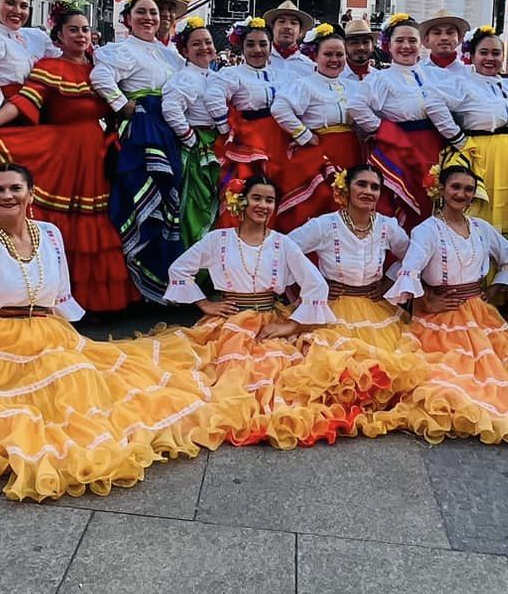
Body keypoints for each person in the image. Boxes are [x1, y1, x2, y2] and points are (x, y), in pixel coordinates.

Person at [0, 163, 232, 497]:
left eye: (15, 188)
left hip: (44, 329)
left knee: (82, 375)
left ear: (30, 193)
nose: (7, 196)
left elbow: (59, 288)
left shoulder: (50, 233)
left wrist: (67, 337)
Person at [167, 173, 403, 447]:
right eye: (256, 198)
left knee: (273, 376)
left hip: (269, 316)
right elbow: (179, 269)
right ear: (240, 201)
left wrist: (290, 325)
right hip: (228, 321)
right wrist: (206, 303)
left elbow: (316, 286)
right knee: (217, 375)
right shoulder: (218, 240)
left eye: (269, 200)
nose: (263, 205)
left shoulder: (282, 243)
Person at [0, 3, 132, 314]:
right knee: (58, 223)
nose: (80, 35)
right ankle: (52, 297)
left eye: (85, 29)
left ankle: (91, 303)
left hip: (94, 153)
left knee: (94, 219)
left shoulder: (99, 70)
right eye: (72, 29)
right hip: (61, 151)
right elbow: (23, 102)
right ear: (58, 36)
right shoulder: (50, 67)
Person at [367, 162, 508, 443]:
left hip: (479, 313)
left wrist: (493, 290)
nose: (462, 194)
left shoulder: (481, 228)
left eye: (469, 189)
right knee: (449, 375)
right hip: (442, 316)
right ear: (441, 189)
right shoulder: (427, 230)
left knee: (498, 372)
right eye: (456, 187)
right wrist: (425, 300)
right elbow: (410, 269)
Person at [289, 164, 427, 403]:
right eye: (361, 184)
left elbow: (413, 256)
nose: (368, 191)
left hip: (374, 307)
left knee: (388, 369)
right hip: (331, 308)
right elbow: (286, 249)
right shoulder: (324, 225)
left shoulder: (387, 226)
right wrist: (316, 284)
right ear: (346, 189)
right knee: (336, 371)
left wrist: (389, 280)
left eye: (375, 187)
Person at [90, 0, 185, 301]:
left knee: (168, 202)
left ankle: (159, 283)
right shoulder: (122, 50)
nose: (148, 18)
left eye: (154, 13)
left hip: (166, 132)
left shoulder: (168, 53)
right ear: (127, 20)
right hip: (143, 133)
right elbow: (100, 76)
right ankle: (135, 287)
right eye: (141, 12)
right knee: (141, 199)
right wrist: (123, 106)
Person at [351, 13, 468, 229]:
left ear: (421, 44)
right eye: (400, 41)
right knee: (403, 199)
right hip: (400, 145)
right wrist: (383, 129)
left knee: (434, 196)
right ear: (388, 45)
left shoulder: (434, 75)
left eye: (412, 40)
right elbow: (356, 106)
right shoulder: (380, 78)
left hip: (434, 144)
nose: (406, 46)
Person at [443, 25, 508, 241]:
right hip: (482, 155)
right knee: (482, 206)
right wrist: (457, 137)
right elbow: (433, 103)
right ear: (471, 56)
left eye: (496, 53)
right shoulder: (462, 83)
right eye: (483, 53)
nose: (490, 58)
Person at [216, 17, 309, 221]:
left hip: (281, 138)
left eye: (262, 44)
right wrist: (225, 129)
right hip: (250, 138)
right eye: (250, 44)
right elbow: (213, 98)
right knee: (248, 190)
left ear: (270, 46)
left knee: (279, 188)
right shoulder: (232, 73)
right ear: (241, 47)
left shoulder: (283, 75)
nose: (257, 49)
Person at [271, 23, 362, 227]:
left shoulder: (353, 87)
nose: (334, 60)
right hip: (321, 151)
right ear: (315, 56)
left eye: (339, 55)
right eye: (328, 54)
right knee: (323, 202)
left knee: (351, 202)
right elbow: (280, 108)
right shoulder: (306, 84)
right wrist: (304, 135)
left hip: (351, 150)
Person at [163, 17, 229, 247]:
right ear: (184, 50)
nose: (204, 48)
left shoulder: (215, 75)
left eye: (208, 42)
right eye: (196, 44)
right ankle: (193, 256)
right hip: (198, 145)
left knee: (214, 198)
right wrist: (189, 137)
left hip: (215, 142)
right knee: (195, 202)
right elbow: (171, 108)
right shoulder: (185, 78)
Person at [263, 1, 315, 79]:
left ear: (300, 31)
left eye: (293, 23)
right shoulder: (260, 59)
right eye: (281, 21)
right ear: (272, 28)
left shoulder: (311, 66)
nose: (287, 26)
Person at [419, 11, 469, 77]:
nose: (444, 38)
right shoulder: (417, 70)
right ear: (427, 40)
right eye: (437, 33)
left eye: (450, 33)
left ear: (459, 39)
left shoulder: (469, 72)